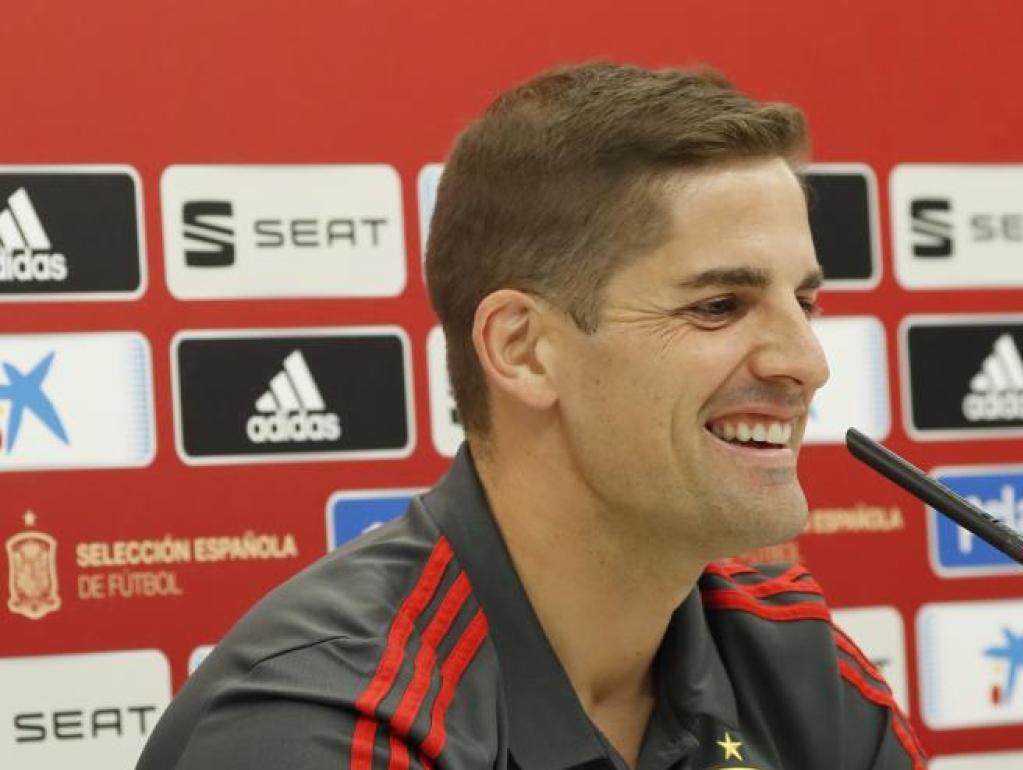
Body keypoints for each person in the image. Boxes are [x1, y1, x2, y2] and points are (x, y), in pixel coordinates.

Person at [137, 62, 926, 770]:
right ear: (521, 349)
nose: (807, 363)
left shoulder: (796, 669)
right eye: (719, 305)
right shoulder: (324, 721)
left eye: (805, 303)